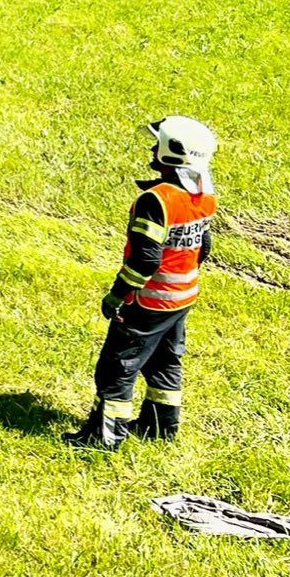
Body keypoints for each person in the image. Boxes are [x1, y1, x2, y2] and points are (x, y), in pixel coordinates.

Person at [64, 116, 219, 450]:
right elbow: (203, 245)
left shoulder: (157, 201)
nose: (152, 147)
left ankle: (104, 437)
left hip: (149, 303)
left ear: (172, 152)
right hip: (182, 298)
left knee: (119, 367)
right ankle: (160, 427)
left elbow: (145, 260)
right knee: (166, 362)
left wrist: (118, 294)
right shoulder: (205, 194)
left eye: (157, 142)